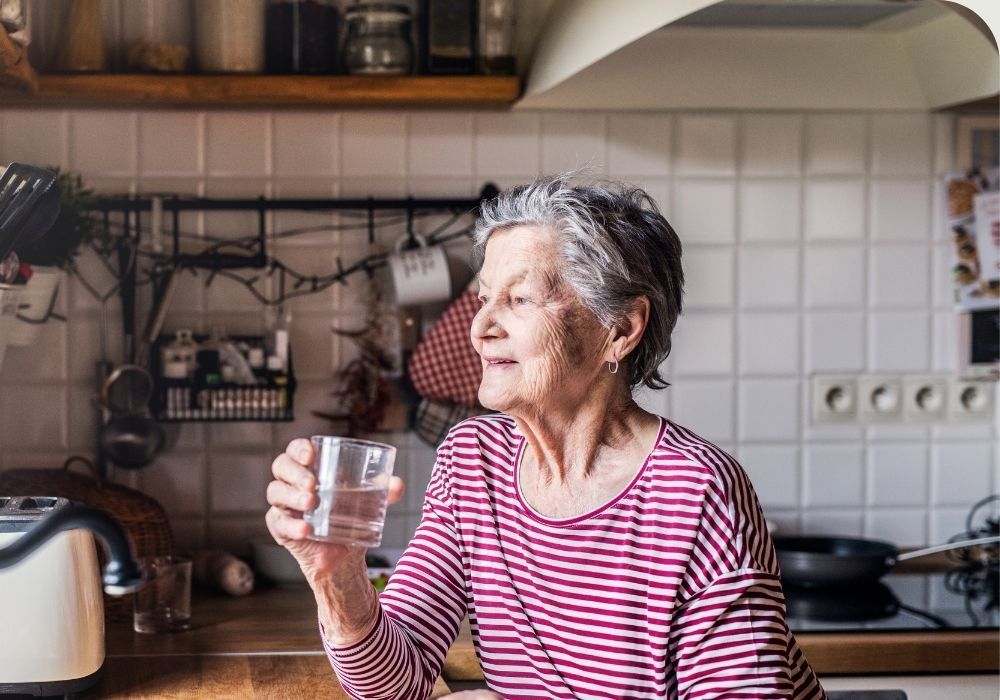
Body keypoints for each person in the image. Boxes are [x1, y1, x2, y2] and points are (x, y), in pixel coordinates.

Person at [266, 174, 827, 699]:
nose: (481, 326)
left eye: (520, 299)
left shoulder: (696, 492)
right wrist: (337, 576)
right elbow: (398, 679)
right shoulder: (471, 462)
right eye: (486, 296)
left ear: (620, 329)